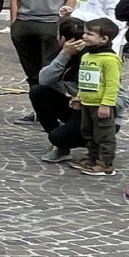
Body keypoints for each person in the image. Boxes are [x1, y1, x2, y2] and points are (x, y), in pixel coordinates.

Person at [34, 17, 93, 161]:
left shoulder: (93, 57)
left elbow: (119, 97)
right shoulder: (65, 54)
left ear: (62, 38)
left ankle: (96, 143)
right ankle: (60, 146)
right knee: (38, 92)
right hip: (78, 108)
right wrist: (64, 55)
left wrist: (82, 98)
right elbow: (44, 80)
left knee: (57, 137)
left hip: (96, 114)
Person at [72, 17, 121, 175]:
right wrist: (79, 96)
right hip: (87, 102)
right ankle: (92, 158)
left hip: (101, 104)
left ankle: (105, 163)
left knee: (104, 134)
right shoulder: (86, 57)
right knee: (88, 132)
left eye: (90, 34)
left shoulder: (110, 60)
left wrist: (106, 103)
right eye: (85, 33)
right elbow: (84, 79)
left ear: (104, 39)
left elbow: (112, 84)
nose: (84, 36)